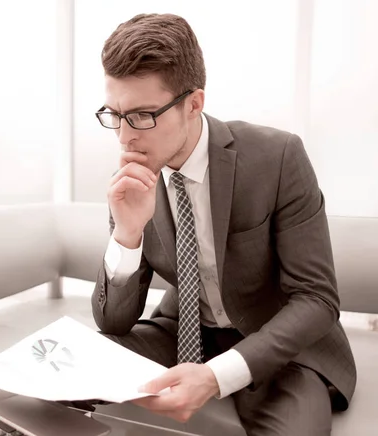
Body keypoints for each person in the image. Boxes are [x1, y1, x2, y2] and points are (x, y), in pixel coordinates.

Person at [91, 13, 356, 436]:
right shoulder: (134, 177)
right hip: (181, 329)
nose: (124, 137)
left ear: (194, 103)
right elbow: (113, 324)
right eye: (114, 114)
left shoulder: (278, 156)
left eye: (142, 115)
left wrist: (215, 376)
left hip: (279, 344)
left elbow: (316, 298)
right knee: (63, 369)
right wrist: (127, 234)